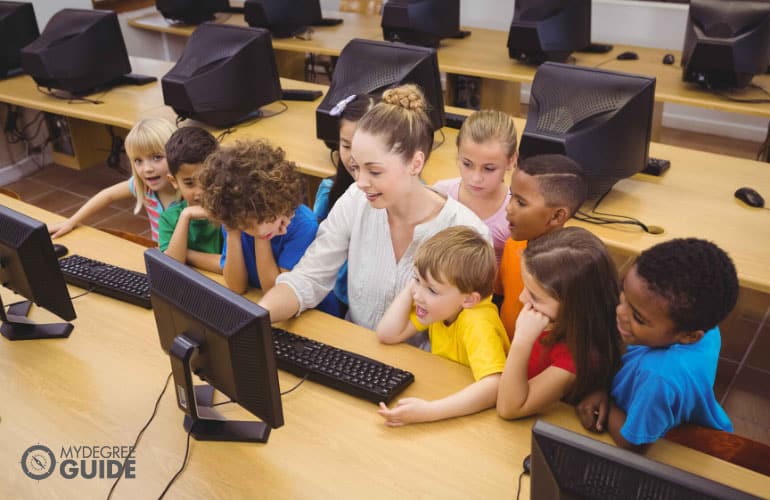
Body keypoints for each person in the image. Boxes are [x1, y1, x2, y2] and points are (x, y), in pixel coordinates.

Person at [257, 84, 489, 346]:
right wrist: (256, 319)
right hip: (357, 349)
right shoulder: (356, 199)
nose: (361, 182)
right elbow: (308, 279)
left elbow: (467, 336)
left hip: (426, 368)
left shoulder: (467, 230)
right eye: (356, 167)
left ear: (415, 163)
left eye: (375, 172)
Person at [576, 238, 738, 451]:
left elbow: (634, 444)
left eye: (638, 318)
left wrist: (606, 401)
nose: (620, 311)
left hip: (683, 445)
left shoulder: (658, 378)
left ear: (689, 336)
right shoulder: (704, 327)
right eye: (624, 293)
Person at [376, 226, 509, 425]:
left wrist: (429, 412)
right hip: (450, 394)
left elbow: (495, 385)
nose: (418, 295)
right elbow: (388, 334)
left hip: (477, 418)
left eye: (432, 290)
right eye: (417, 280)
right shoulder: (441, 307)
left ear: (469, 300)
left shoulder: (477, 322)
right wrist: (415, 288)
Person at [199, 139, 339, 316]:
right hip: (261, 305)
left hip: (313, 315)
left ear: (276, 202)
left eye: (261, 219)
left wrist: (261, 239)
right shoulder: (236, 218)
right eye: (246, 225)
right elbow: (236, 287)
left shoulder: (303, 225)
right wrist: (232, 232)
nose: (257, 230)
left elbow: (273, 289)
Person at [496, 227, 622, 420]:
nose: (522, 299)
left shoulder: (577, 357)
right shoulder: (548, 320)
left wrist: (521, 341)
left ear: (574, 307)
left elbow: (510, 409)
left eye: (535, 297)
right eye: (525, 287)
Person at [495, 154, 588, 340]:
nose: (508, 208)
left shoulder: (570, 271)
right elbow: (499, 297)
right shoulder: (513, 245)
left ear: (557, 216)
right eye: (511, 196)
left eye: (521, 202)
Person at [48, 117, 177, 242]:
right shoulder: (144, 187)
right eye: (138, 161)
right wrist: (70, 222)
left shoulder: (190, 195)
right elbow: (107, 195)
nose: (147, 169)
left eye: (157, 157)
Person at [313, 94, 376, 314]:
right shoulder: (328, 190)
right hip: (335, 297)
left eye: (359, 146)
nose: (352, 157)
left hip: (371, 305)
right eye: (345, 145)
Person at [432, 109, 517, 264]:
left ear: (511, 160)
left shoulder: (516, 213)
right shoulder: (439, 195)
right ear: (458, 153)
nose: (476, 178)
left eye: (489, 168)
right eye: (467, 164)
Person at [158, 126, 222, 273]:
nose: (200, 192)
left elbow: (225, 265)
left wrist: (185, 253)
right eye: (189, 183)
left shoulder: (227, 215)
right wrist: (186, 216)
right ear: (173, 181)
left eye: (207, 180)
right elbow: (173, 265)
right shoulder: (169, 218)